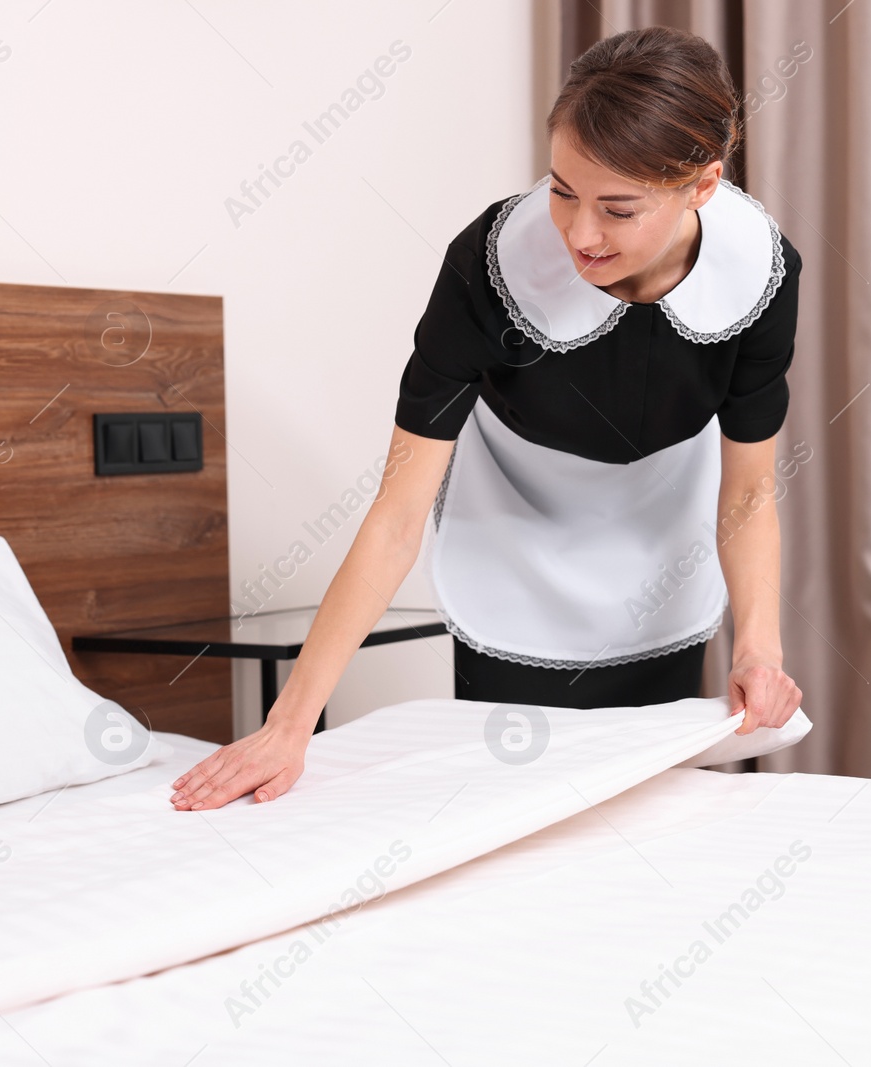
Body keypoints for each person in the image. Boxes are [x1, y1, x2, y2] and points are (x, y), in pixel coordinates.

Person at [172, 25, 804, 812]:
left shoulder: (760, 278)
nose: (579, 233)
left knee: (652, 813)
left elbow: (746, 493)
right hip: (513, 544)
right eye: (562, 189)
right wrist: (289, 726)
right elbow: (397, 514)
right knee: (506, 812)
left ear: (703, 186)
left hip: (659, 543)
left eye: (618, 208)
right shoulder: (488, 268)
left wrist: (759, 649)